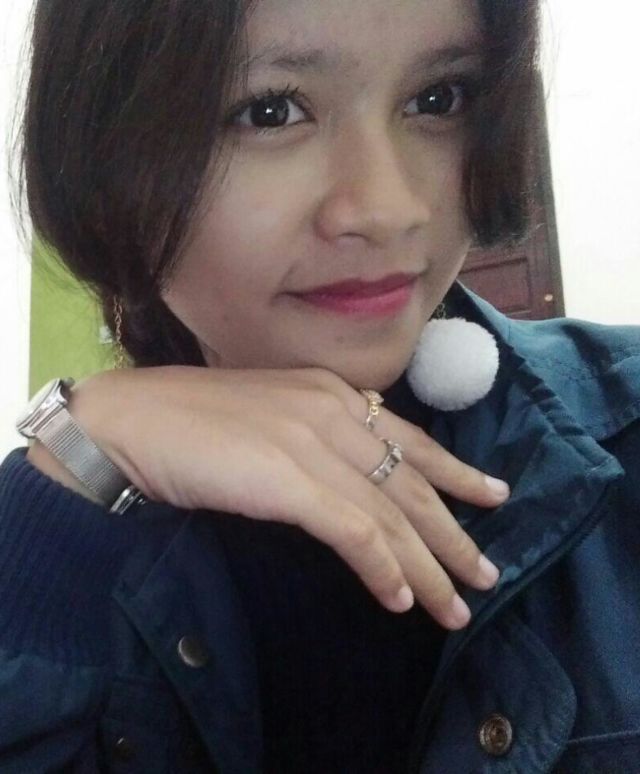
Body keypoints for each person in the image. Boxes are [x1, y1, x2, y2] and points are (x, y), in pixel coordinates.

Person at [1, 0, 639, 772]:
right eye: (270, 110)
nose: (389, 209)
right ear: (106, 149)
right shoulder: (57, 538)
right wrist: (72, 467)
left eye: (438, 98)